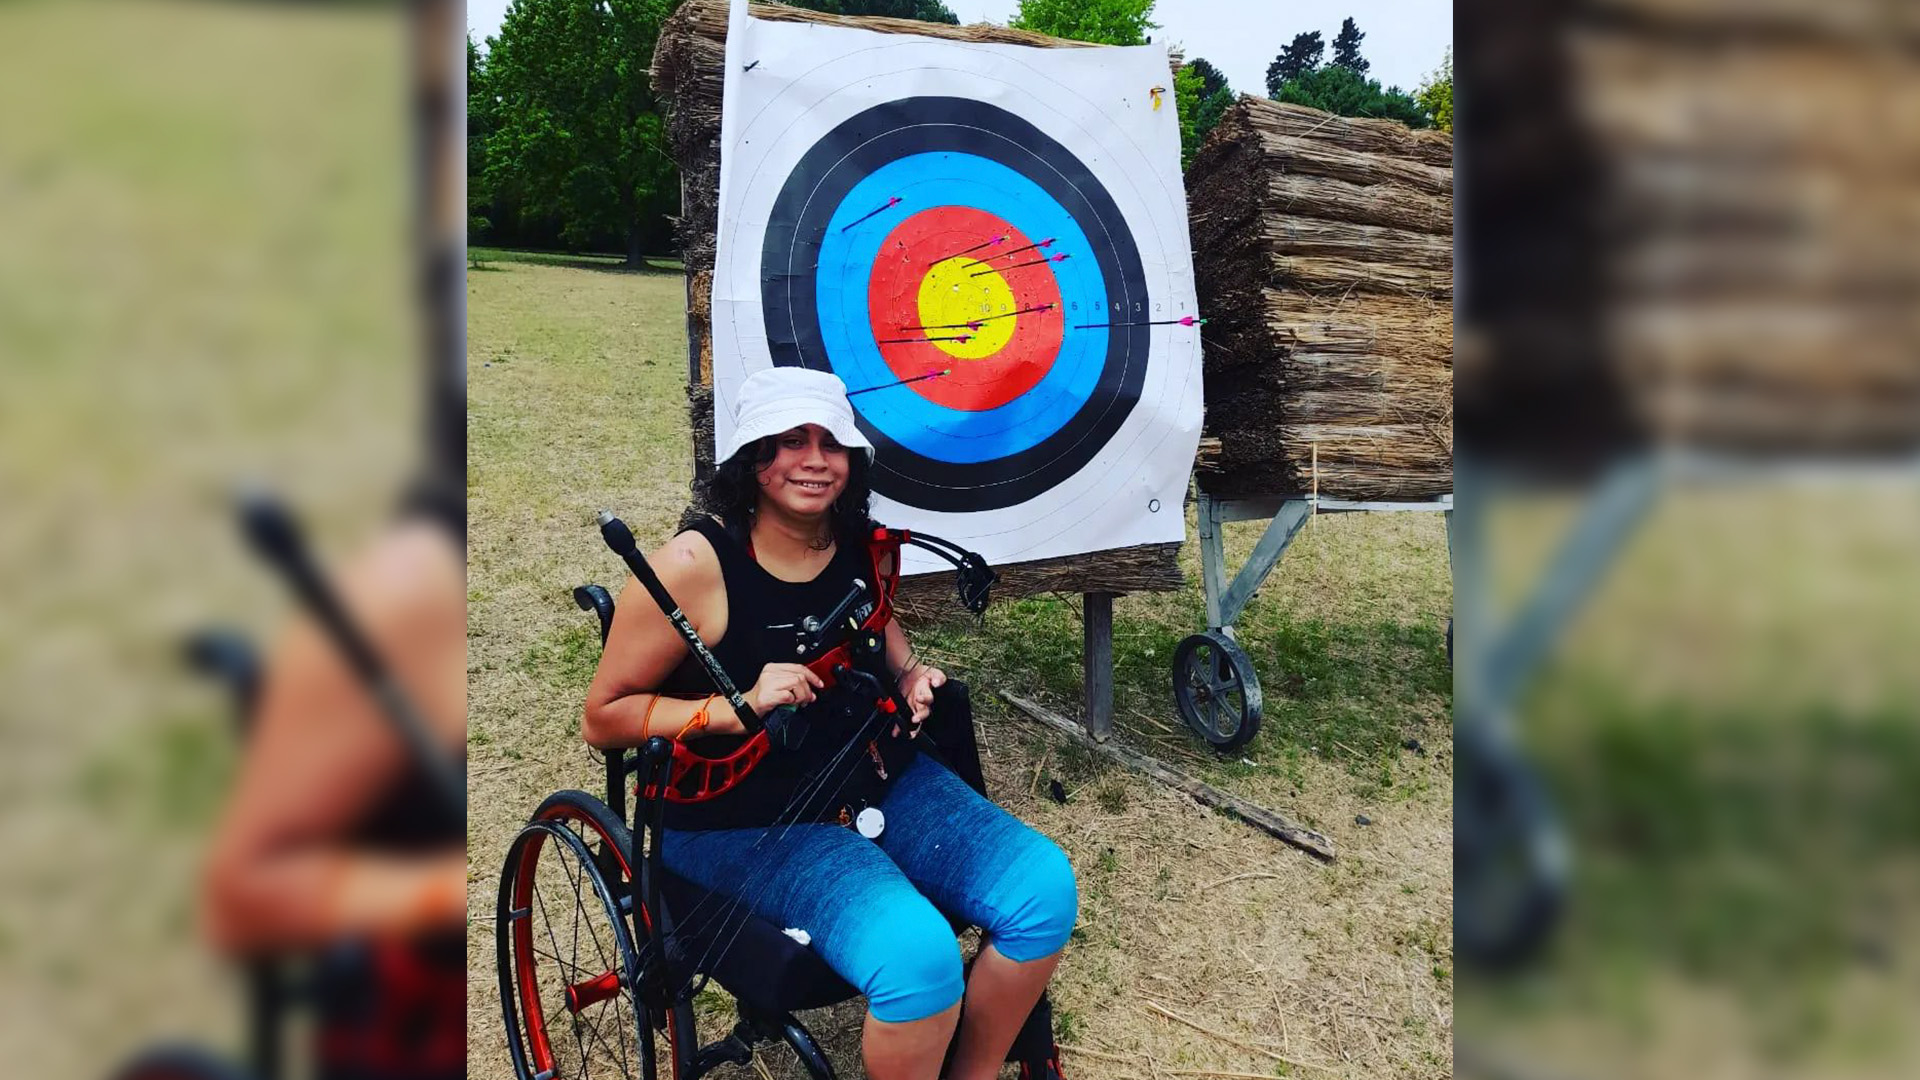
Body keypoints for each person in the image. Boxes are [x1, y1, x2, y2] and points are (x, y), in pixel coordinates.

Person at [583, 367, 1078, 1080]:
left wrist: (912, 679)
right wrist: (734, 706)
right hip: (743, 820)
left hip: (867, 777)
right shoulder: (693, 567)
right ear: (752, 458)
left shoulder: (859, 541)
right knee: (919, 957)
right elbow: (603, 717)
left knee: (1042, 888)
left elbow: (879, 629)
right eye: (789, 442)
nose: (814, 460)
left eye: (830, 444)